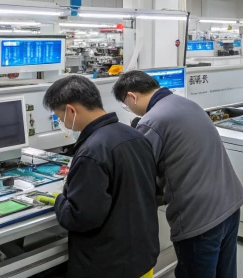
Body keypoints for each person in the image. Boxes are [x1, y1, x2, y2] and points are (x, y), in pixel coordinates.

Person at [113, 71, 243, 278]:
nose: (129, 108)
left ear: (132, 96)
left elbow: (139, 173)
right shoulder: (187, 104)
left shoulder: (152, 120)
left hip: (199, 218)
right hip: (229, 205)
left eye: (125, 104)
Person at [41, 75, 158, 278]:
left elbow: (82, 218)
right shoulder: (134, 134)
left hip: (110, 265)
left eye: (60, 118)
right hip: (142, 256)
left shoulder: (92, 152)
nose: (63, 123)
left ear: (71, 110)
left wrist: (59, 200)